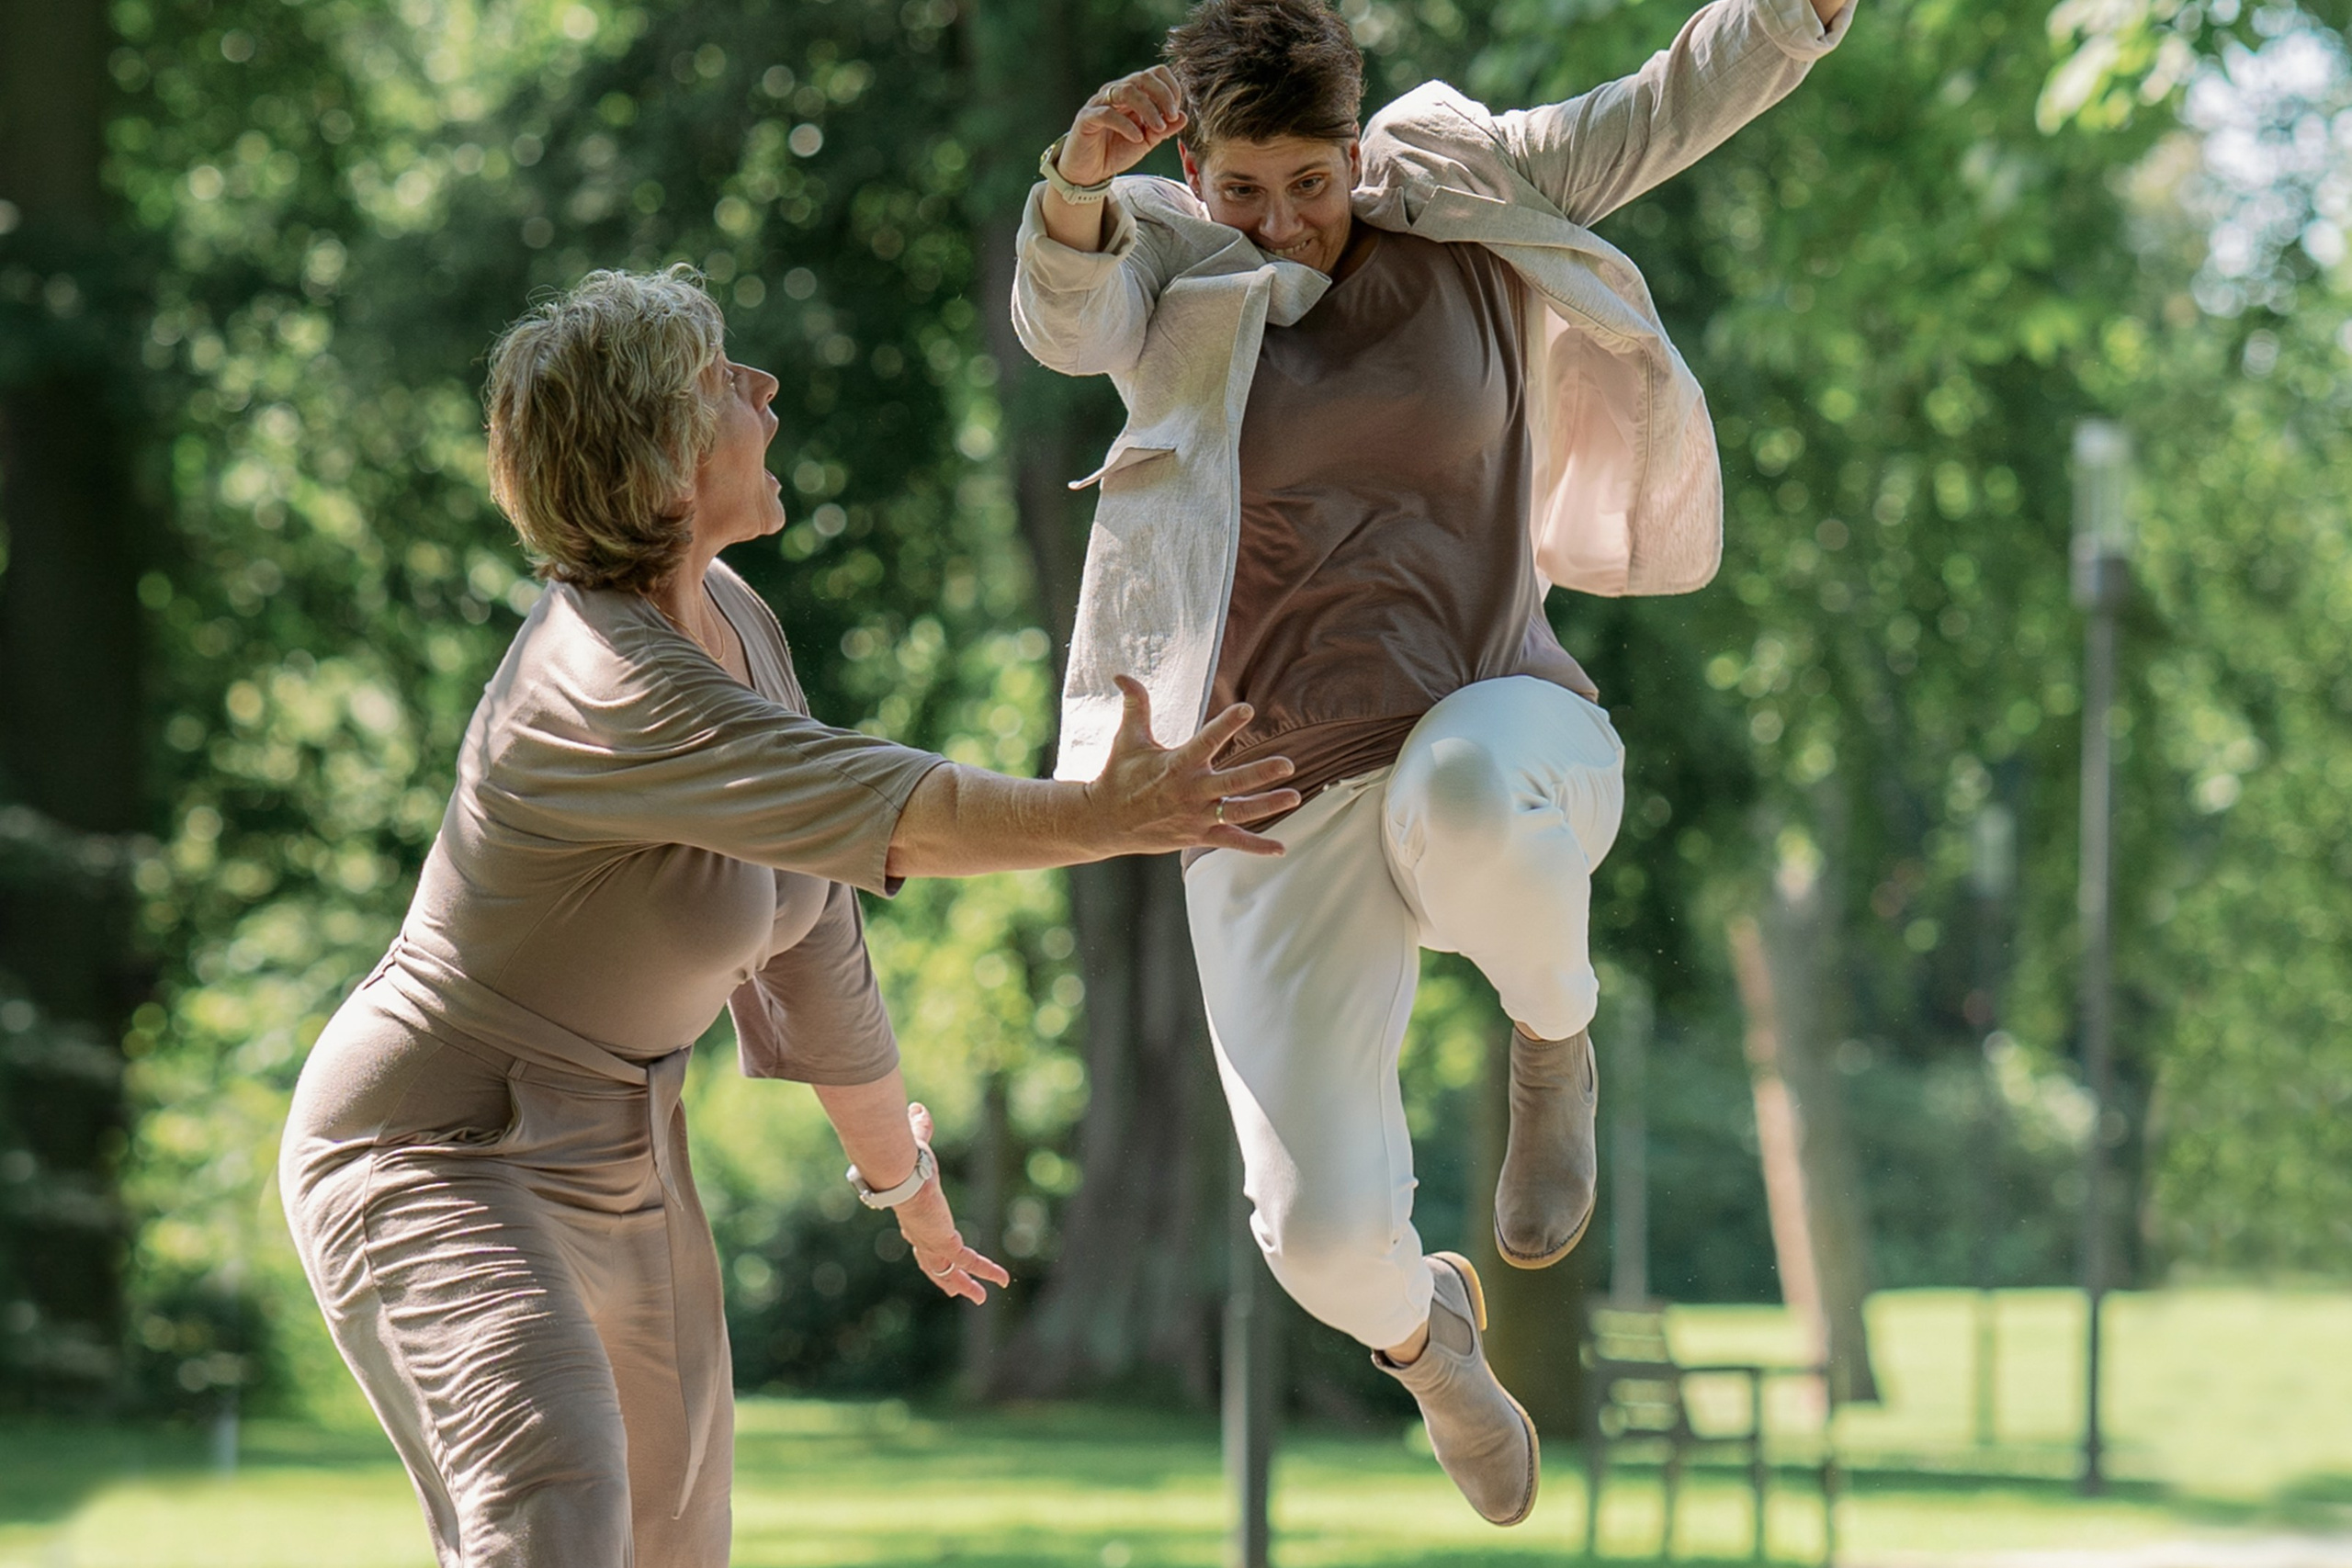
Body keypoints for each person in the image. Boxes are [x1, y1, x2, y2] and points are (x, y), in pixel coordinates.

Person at [278, 265, 1298, 1568]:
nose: (765, 393)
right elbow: (881, 800)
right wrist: (1104, 813)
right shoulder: (598, 677)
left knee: (671, 1543)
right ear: (657, 463)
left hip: (626, 1151)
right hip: (434, 1148)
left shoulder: (735, 623)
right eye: (723, 380)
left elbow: (816, 934)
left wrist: (906, 1186)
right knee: (554, 1502)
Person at [1012, 0, 1850, 1525]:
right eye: (1245, 187)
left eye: (1312, 184)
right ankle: (1432, 1341)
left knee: (1460, 792)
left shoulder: (1463, 188)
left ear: (1356, 149)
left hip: (1497, 718)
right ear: (1196, 166)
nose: (1283, 222)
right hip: (1260, 785)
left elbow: (1661, 105)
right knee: (1318, 1234)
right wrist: (1075, 185)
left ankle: (1554, 1042)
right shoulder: (1166, 257)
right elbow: (1065, 318)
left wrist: (1791, 19)